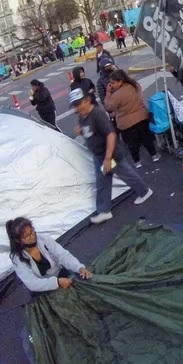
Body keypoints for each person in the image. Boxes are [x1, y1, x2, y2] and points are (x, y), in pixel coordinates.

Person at [69, 88, 153, 224]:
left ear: (87, 100)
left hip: (110, 155)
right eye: (74, 105)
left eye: (78, 104)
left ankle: (144, 191)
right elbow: (89, 132)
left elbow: (111, 134)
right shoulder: (82, 116)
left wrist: (108, 158)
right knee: (103, 180)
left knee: (125, 173)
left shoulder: (97, 114)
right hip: (100, 155)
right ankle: (104, 211)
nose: (77, 108)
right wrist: (80, 132)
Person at [6, 217, 93, 293]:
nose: (32, 236)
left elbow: (63, 255)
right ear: (18, 240)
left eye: (32, 231)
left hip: (60, 274)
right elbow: (32, 283)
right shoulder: (17, 258)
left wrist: (79, 268)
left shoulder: (44, 240)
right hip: (42, 289)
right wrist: (57, 283)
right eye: (27, 236)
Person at [104, 69, 160, 168]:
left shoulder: (117, 95)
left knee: (132, 144)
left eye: (113, 83)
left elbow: (108, 107)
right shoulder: (135, 85)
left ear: (120, 81)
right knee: (146, 139)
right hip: (141, 117)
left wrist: (108, 92)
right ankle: (154, 155)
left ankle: (137, 162)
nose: (111, 85)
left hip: (127, 123)